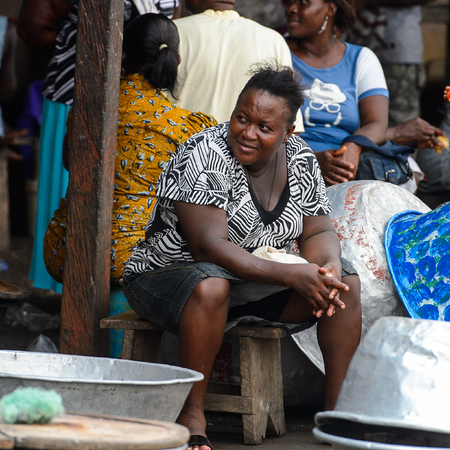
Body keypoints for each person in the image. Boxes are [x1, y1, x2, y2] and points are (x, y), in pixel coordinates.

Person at [123, 65, 361, 450]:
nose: (247, 133)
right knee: (211, 283)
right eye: (241, 118)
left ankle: (335, 417)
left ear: (288, 133)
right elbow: (208, 247)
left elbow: (317, 231)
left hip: (248, 285)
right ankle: (192, 414)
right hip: (166, 279)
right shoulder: (206, 152)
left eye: (264, 128)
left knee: (345, 284)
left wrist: (325, 266)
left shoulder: (300, 158)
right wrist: (292, 276)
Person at [16, 0, 179, 293]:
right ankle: (73, 296)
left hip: (71, 248)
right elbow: (34, 25)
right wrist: (88, 57)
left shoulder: (89, 110)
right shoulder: (182, 123)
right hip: (76, 83)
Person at [43, 13, 216, 285]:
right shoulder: (183, 126)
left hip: (64, 246)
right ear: (176, 61)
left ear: (122, 55)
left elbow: (69, 162)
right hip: (134, 258)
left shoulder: (87, 109)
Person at [285, 0, 392, 186]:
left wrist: (354, 145)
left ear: (330, 9)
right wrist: (313, 159)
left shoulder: (361, 59)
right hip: (289, 167)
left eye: (303, 3)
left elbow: (377, 123)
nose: (291, 9)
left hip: (345, 169)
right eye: (291, 2)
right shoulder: (279, 52)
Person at [168, 0, 303, 131]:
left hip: (179, 148)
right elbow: (290, 127)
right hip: (247, 149)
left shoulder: (171, 31)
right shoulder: (274, 40)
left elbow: (150, 106)